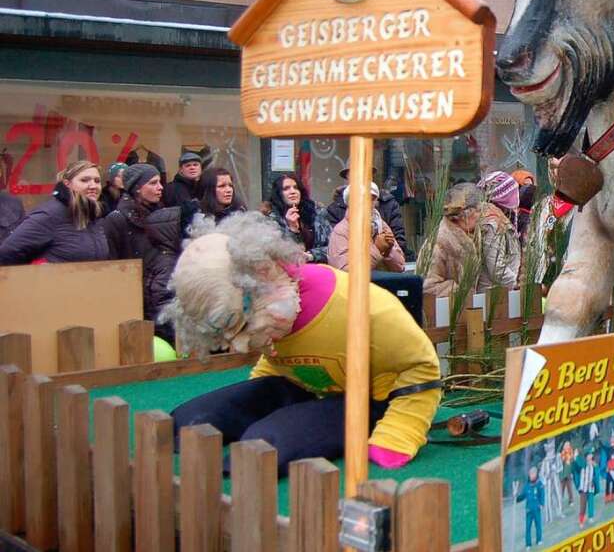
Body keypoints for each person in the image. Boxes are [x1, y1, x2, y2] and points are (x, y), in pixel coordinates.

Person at [161, 212, 442, 475]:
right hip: (305, 385)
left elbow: (421, 365)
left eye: (243, 326)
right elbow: (279, 358)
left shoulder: (362, 308)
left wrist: (402, 428)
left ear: (264, 275)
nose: (242, 347)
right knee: (190, 419)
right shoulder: (276, 311)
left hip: (370, 395)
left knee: (268, 441)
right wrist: (258, 395)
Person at [106, 162, 191, 342]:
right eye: (153, 183)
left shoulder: (163, 215)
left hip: (166, 297)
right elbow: (114, 266)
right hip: (138, 304)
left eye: (159, 182)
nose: (160, 188)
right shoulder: (117, 220)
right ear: (137, 188)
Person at [0, 161, 108, 265]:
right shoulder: (49, 215)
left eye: (97, 181)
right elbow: (7, 253)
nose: (93, 186)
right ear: (67, 184)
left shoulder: (95, 217)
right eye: (84, 180)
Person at [421, 184, 483, 302]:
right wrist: (460, 291)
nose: (481, 215)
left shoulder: (471, 236)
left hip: (465, 313)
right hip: (446, 316)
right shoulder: (439, 244)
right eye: (478, 210)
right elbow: (428, 287)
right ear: (466, 213)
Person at [326, 167, 408, 254]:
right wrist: (376, 249)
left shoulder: (388, 204)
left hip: (385, 264)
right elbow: (335, 247)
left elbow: (399, 243)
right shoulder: (335, 209)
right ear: (347, 178)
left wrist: (386, 249)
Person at [327, 183, 405, 272]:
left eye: (373, 198)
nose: (369, 202)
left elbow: (400, 267)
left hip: (384, 285)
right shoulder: (341, 231)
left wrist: (388, 252)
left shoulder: (382, 225)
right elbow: (345, 271)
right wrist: (377, 249)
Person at [266, 173, 330, 263]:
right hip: (287, 271)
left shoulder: (316, 212)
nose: (293, 191)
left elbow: (333, 248)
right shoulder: (271, 218)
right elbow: (280, 254)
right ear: (279, 194)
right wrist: (292, 230)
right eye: (286, 188)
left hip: (318, 267)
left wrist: (311, 255)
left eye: (296, 187)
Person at [477, 171, 521, 291]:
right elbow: (496, 267)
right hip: (494, 297)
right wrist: (516, 284)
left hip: (497, 294)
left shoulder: (492, 219)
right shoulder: (493, 223)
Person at [515, 466, 545, 549]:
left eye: (533, 474)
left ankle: (539, 540)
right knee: (528, 527)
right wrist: (516, 499)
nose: (531, 476)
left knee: (538, 525)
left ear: (536, 474)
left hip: (536, 509)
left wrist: (542, 504)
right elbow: (522, 496)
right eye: (530, 474)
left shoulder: (539, 484)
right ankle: (528, 544)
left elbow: (542, 494)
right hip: (529, 510)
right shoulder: (527, 486)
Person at [576, 451, 598, 528]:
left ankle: (591, 517)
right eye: (589, 455)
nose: (590, 456)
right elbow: (577, 463)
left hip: (591, 488)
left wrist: (595, 467)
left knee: (591, 503)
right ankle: (581, 521)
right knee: (583, 505)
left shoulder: (593, 465)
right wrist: (576, 455)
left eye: (591, 455)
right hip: (583, 488)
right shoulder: (583, 464)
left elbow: (596, 475)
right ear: (586, 457)